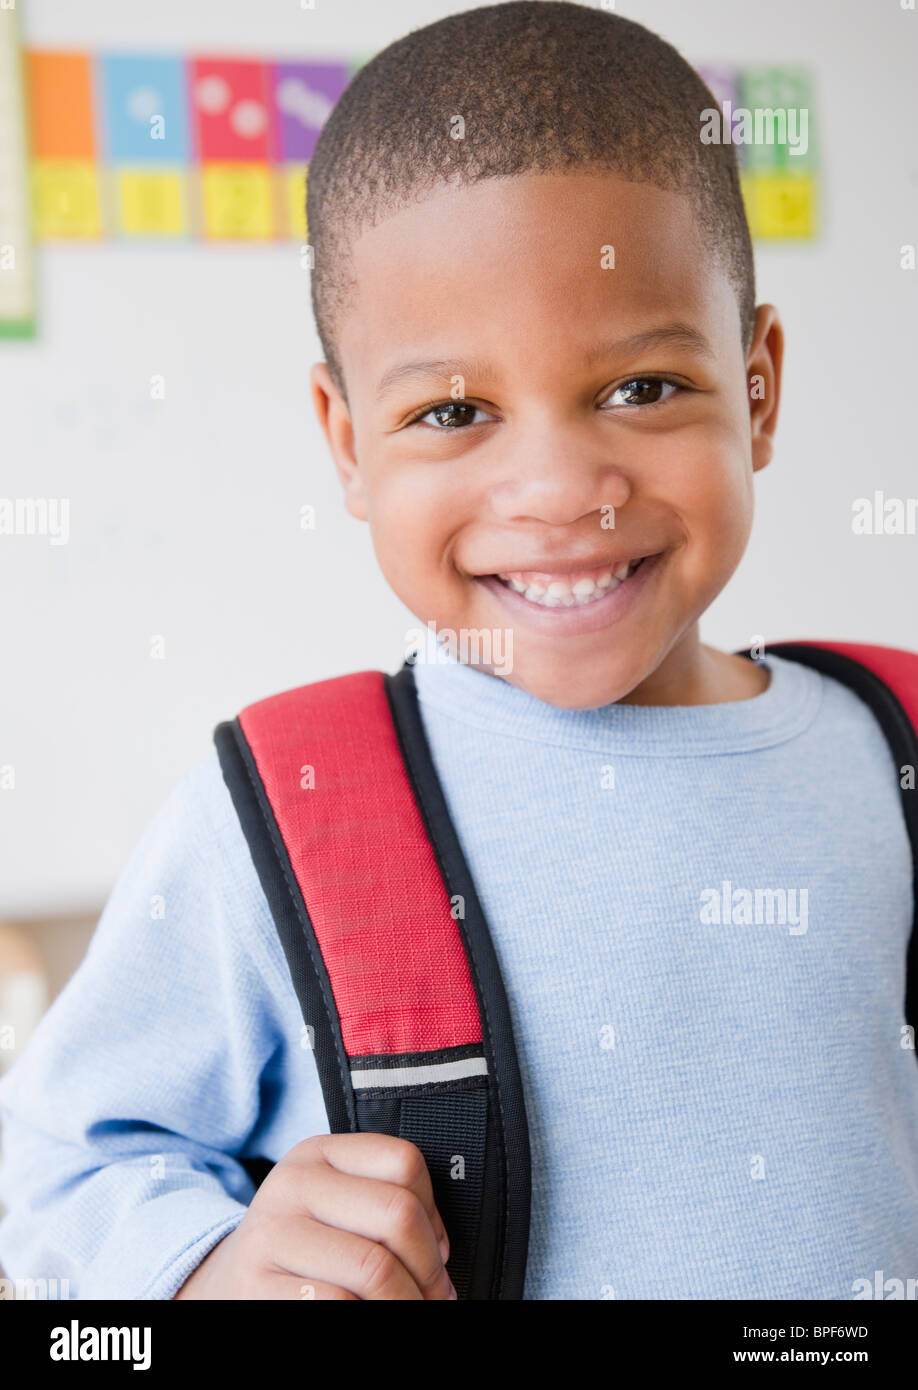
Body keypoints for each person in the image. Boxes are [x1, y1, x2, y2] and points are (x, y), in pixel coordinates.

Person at [1, 1, 916, 1300]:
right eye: (451, 410)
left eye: (640, 388)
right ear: (346, 443)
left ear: (757, 389)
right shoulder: (291, 804)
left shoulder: (891, 747)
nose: (555, 488)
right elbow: (47, 1161)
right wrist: (209, 1266)